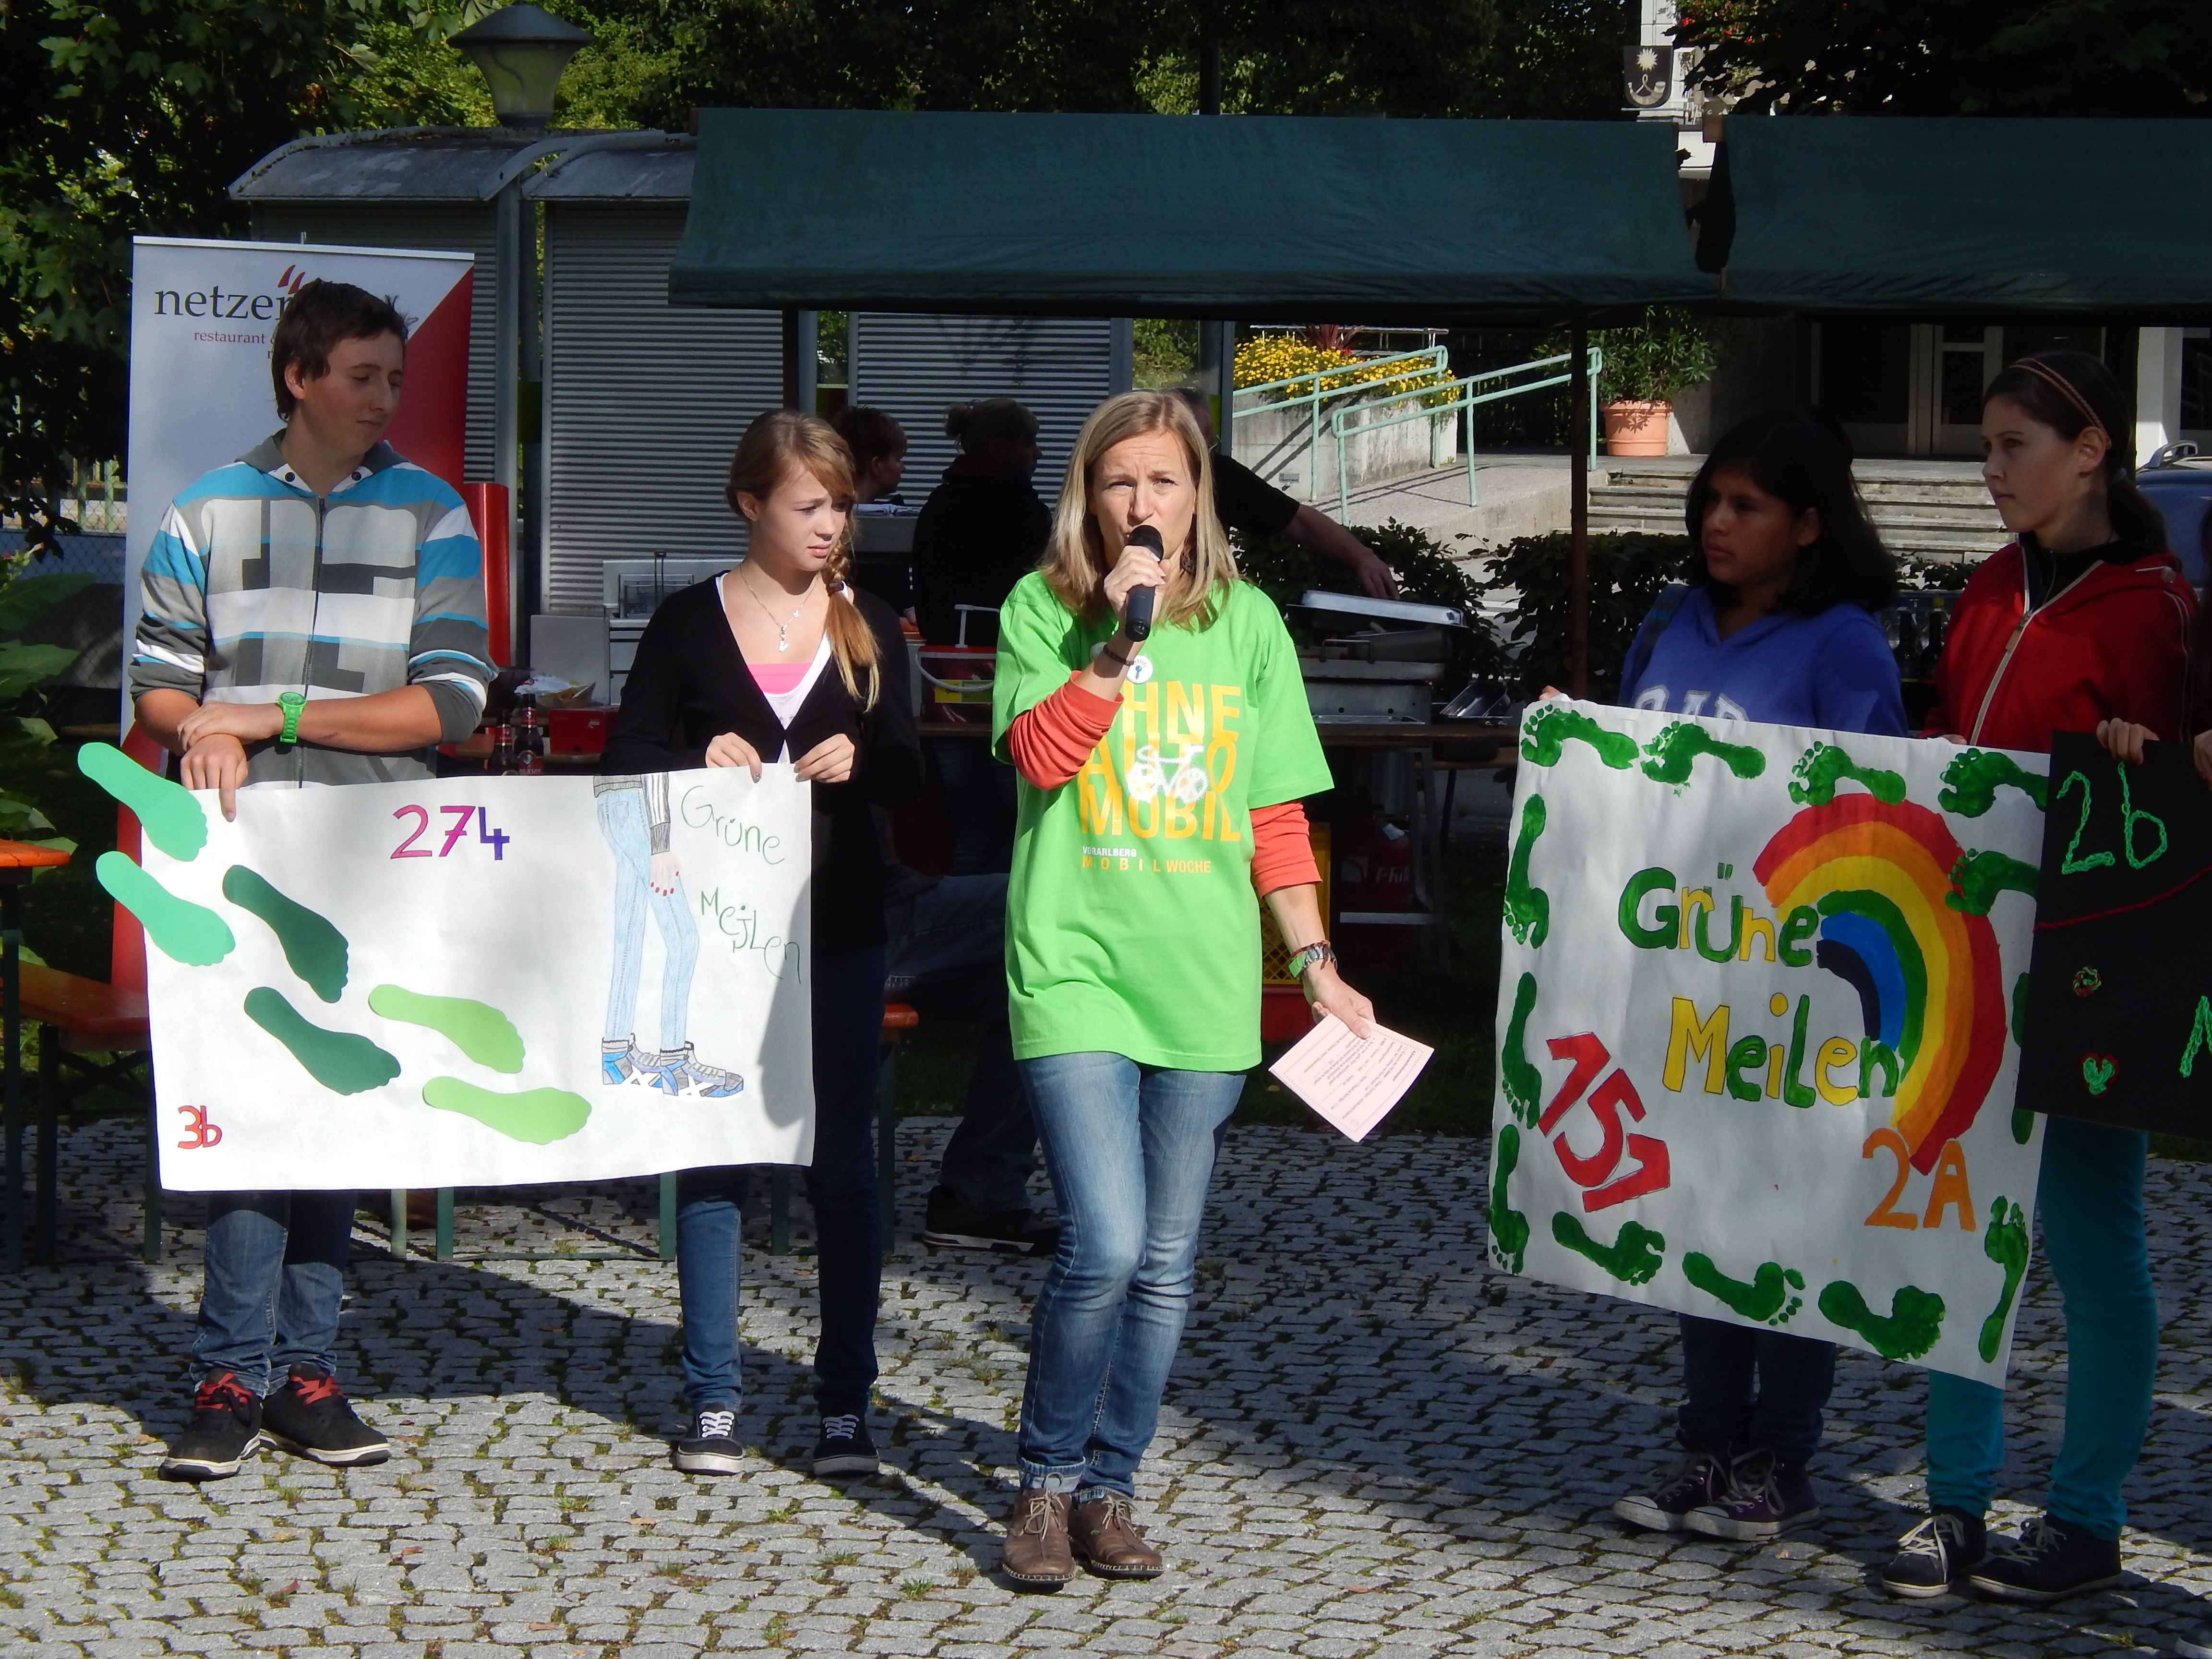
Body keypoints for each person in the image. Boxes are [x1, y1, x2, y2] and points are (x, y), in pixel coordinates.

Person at [989, 390, 1375, 1587]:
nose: (1141, 502)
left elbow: (1274, 819)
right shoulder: (1041, 610)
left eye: (1163, 480)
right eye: (1119, 482)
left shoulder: (1251, 626)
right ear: (1088, 497)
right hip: (1074, 966)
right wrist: (1115, 645)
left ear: (1199, 495)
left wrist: (1314, 963)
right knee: (1103, 1242)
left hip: (1202, 979)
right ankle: (1045, 1482)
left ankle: (1111, 1489)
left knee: (1164, 1260)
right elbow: (1040, 755)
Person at [131, 279, 494, 1479]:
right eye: (362, 376)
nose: (385, 399)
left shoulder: (433, 511)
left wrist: (270, 713)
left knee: (336, 1099)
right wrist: (205, 730)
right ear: (299, 377)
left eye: (395, 378)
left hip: (370, 849)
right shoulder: (205, 509)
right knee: (249, 1103)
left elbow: (451, 702)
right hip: (236, 851)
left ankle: (306, 1376)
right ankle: (231, 1377)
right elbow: (159, 687)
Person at [1880, 350, 2190, 1606]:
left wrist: (2145, 755)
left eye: (2015, 446)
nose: (1992, 471)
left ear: (2091, 450)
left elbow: (2176, 797)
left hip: (2098, 966)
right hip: (1969, 951)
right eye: (1986, 448)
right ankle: (1953, 1503)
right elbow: (1963, 738)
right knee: (1962, 1230)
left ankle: (2086, 1520)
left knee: (2095, 1245)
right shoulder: (1988, 587)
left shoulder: (2158, 609)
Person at [1602, 410, 1906, 1542]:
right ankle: (1708, 1445)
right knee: (1695, 1205)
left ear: (1809, 524)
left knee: (1785, 1216)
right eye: (1711, 501)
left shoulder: (1843, 644)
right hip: (1673, 973)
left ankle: (1783, 1455)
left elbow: (1877, 808)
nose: (1716, 522)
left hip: (1792, 987)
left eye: (1747, 505)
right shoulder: (1669, 621)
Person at [602, 410, 923, 1479]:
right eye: (809, 505)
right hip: (716, 932)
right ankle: (713, 1397)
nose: (831, 525)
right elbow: (622, 757)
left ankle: (844, 1402)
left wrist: (860, 761)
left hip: (838, 927)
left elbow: (916, 773)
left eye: (842, 506)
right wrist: (695, 755)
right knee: (717, 1158)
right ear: (749, 505)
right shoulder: (687, 623)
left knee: (842, 1166)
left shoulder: (869, 621)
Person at [874, 821, 1056, 1254]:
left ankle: (979, 1196)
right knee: (1051, 900)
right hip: (851, 919)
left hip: (867, 904)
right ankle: (982, 1191)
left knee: (1036, 992)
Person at [913, 398, 1048, 875]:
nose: (1038, 453)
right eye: (1029, 442)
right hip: (1004, 684)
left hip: (943, 682)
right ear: (999, 446)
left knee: (969, 828)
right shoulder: (1024, 510)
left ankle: (957, 913)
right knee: (1017, 829)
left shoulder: (938, 504)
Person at [1172, 387, 1400, 600]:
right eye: (1190, 444)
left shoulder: (1221, 473)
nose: (1200, 457)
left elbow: (1298, 520)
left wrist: (1362, 557)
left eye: (1206, 443)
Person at [831, 405, 909, 505]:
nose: (903, 468)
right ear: (876, 465)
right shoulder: (890, 514)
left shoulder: (826, 511)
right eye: (898, 460)